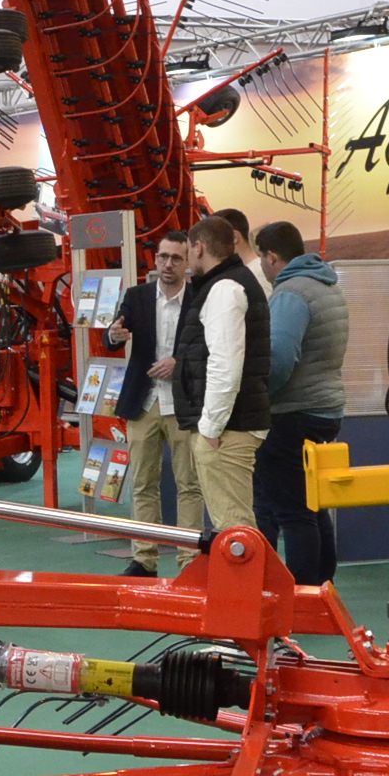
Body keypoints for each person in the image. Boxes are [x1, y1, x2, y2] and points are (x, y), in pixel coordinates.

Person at [253, 221, 349, 585]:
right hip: (326, 410)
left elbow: (278, 360)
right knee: (312, 503)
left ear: (271, 257)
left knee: (293, 512)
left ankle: (302, 594)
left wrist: (259, 398)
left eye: (261, 258)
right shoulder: (327, 285)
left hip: (292, 413)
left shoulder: (290, 293)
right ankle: (322, 584)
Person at [104, 230, 201, 577]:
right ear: (155, 259)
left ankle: (189, 561)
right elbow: (114, 334)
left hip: (183, 403)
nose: (168, 264)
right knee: (143, 483)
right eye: (163, 257)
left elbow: (209, 348)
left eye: (176, 258)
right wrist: (113, 335)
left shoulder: (199, 298)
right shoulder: (137, 296)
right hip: (143, 403)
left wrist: (179, 363)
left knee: (189, 484)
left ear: (187, 262)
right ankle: (144, 560)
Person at [173, 214, 270, 535]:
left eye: (188, 250)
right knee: (236, 529)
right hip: (231, 425)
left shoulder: (224, 289)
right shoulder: (227, 284)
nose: (188, 258)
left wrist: (210, 428)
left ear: (199, 247)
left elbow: (225, 365)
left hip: (227, 430)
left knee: (236, 533)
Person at [214, 207, 270, 290]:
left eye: (215, 240)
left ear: (234, 238)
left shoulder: (257, 273)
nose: (212, 248)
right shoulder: (248, 271)